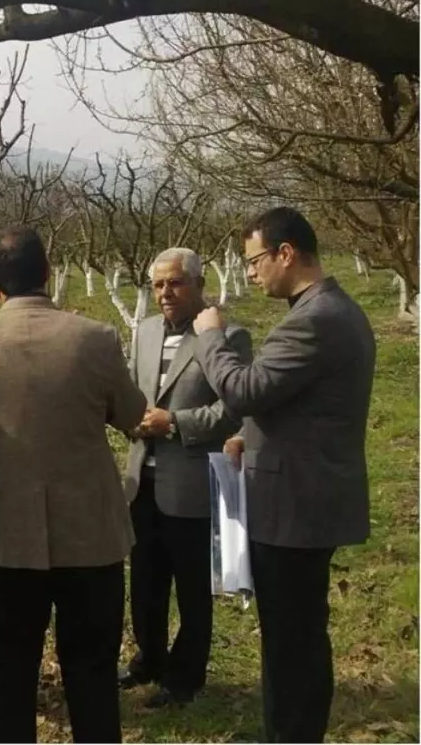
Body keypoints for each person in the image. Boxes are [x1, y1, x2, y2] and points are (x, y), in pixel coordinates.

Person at [0, 226, 147, 743]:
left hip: (5, 535)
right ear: (48, 273)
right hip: (90, 534)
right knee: (93, 672)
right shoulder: (95, 338)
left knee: (11, 675)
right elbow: (132, 414)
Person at [192, 206, 375, 743]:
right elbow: (301, 403)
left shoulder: (315, 319)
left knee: (291, 645)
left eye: (254, 261)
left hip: (296, 507)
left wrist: (210, 336)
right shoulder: (330, 310)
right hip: (305, 494)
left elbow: (244, 388)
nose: (250, 273)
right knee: (296, 638)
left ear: (286, 253)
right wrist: (250, 436)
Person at [121, 247, 253, 708]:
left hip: (191, 478)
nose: (164, 293)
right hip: (142, 477)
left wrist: (175, 424)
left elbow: (233, 408)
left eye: (174, 283)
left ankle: (185, 676)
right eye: (157, 285)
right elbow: (133, 391)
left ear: (198, 284)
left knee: (192, 586)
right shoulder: (145, 331)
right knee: (145, 580)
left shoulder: (228, 336)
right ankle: (149, 658)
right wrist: (130, 418)